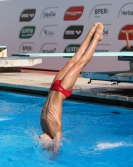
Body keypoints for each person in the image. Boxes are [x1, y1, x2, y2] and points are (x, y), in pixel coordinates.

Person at [40, 22, 104, 153]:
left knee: (73, 60)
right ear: (49, 143)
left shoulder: (43, 126)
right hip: (62, 89)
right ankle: (96, 38)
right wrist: (53, 155)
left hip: (53, 87)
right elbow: (56, 150)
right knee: (81, 63)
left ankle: (91, 33)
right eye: (42, 144)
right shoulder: (56, 132)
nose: (39, 141)